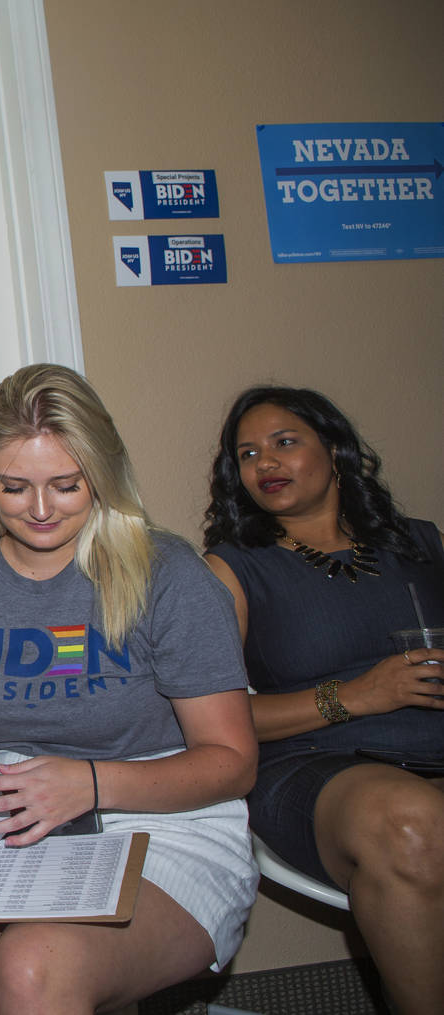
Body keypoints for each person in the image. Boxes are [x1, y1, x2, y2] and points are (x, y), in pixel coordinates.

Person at [0, 364, 259, 1014]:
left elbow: (233, 761)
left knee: (34, 964)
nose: (41, 509)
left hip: (159, 824)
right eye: (15, 486)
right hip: (4, 821)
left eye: (66, 485)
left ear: (102, 474)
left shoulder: (169, 575)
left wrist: (91, 782)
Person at [203, 384, 444, 1015]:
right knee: (408, 818)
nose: (266, 464)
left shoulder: (422, 545)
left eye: (285, 442)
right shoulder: (232, 569)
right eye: (248, 454)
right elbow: (210, 719)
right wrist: (357, 696)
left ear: (335, 450)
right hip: (313, 766)